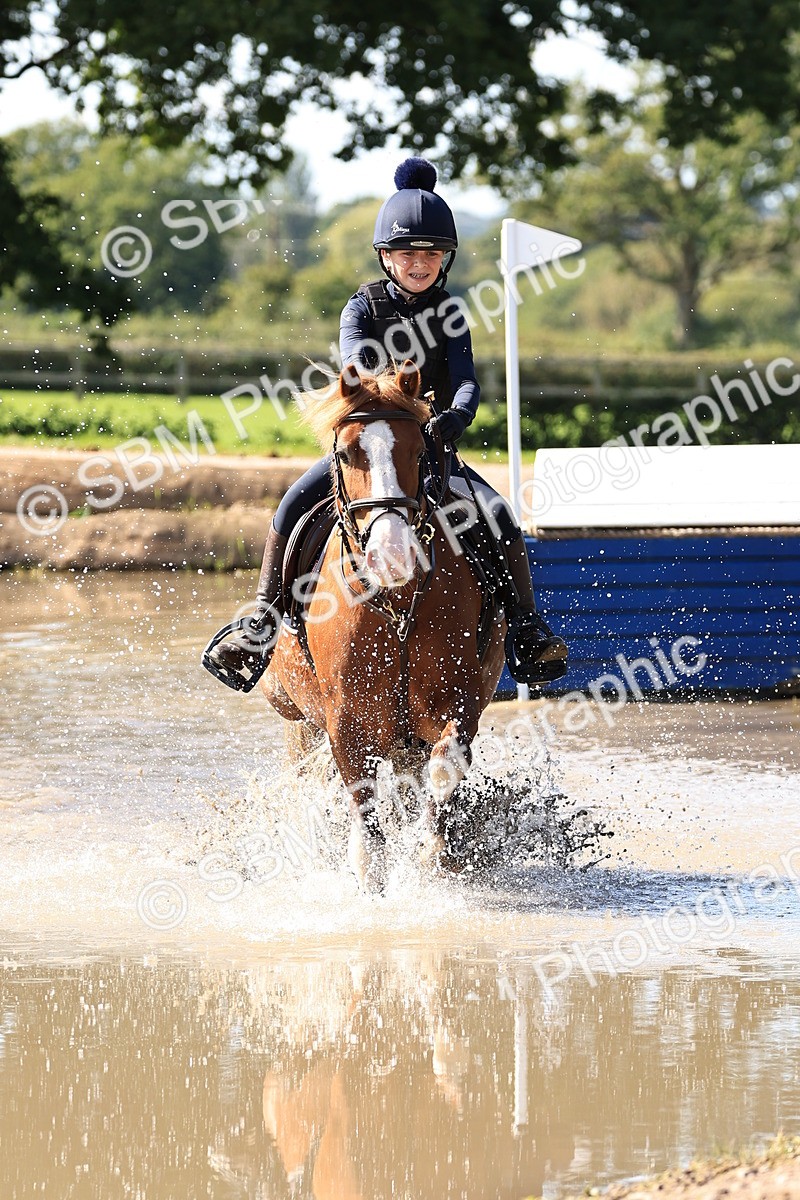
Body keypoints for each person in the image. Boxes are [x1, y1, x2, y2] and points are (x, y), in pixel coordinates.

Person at [204, 157, 567, 690]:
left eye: (430, 254)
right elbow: (358, 369)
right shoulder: (361, 307)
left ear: (444, 259)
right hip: (369, 442)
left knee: (499, 515)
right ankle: (261, 619)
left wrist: (451, 419)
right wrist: (395, 413)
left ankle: (525, 627)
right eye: (407, 253)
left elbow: (466, 381)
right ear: (386, 256)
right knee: (292, 505)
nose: (419, 263)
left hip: (430, 448)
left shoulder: (452, 312)